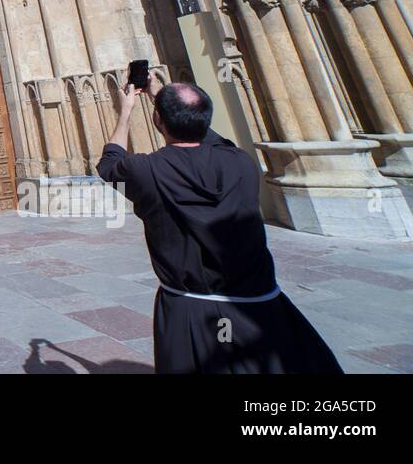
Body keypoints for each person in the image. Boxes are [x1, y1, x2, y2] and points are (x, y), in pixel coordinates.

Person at [97, 77, 343, 374]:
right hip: (261, 310)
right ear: (204, 119)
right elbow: (210, 138)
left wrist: (126, 110)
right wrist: (167, 104)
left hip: (191, 314)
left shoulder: (147, 171)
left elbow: (110, 161)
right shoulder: (241, 163)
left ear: (157, 120)